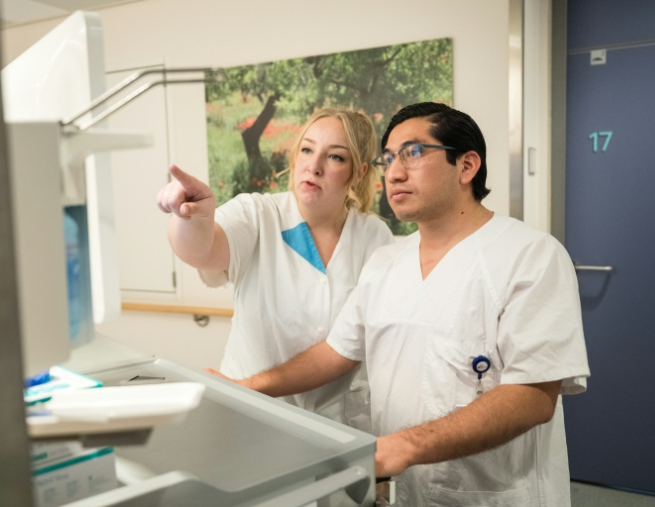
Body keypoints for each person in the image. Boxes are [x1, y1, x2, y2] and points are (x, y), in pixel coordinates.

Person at [212, 102, 590, 506]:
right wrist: (242, 387)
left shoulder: (531, 255)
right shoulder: (387, 263)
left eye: (413, 153)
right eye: (388, 158)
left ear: (466, 166)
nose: (393, 172)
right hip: (407, 493)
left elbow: (532, 396)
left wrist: (405, 446)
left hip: (495, 495)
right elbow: (334, 353)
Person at [156, 107, 394, 431]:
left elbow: (354, 345)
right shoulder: (258, 214)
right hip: (251, 417)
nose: (314, 165)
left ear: (359, 171)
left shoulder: (375, 237)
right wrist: (190, 217)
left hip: (340, 427)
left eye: (335, 157)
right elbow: (201, 250)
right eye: (307, 150)